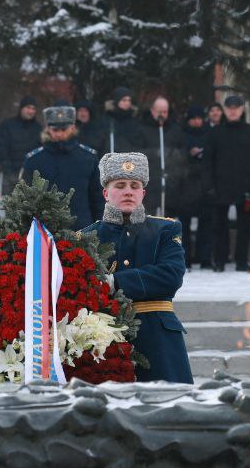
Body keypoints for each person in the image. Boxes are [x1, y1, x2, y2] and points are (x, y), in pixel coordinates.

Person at [80, 152, 192, 383]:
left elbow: (171, 276)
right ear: (105, 193)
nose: (128, 191)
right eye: (120, 185)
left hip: (158, 339)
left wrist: (115, 282)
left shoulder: (165, 229)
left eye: (134, 185)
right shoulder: (86, 237)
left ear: (143, 192)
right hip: (103, 339)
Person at [202, 94, 250, 272]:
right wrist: (209, 187)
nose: (233, 111)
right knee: (219, 226)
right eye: (229, 108)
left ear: (242, 109)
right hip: (220, 188)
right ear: (225, 110)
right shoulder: (215, 133)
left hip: (246, 187)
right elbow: (207, 162)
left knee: (244, 226)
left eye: (236, 108)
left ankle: (241, 261)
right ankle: (219, 260)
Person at [20, 105, 103, 229]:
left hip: (83, 229)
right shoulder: (34, 160)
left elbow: (97, 197)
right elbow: (24, 199)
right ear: (47, 129)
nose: (59, 134)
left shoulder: (88, 158)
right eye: (55, 130)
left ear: (72, 128)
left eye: (64, 130)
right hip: (45, 230)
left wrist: (99, 226)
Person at [173, 105, 213, 268]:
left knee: (206, 224)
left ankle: (205, 258)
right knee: (185, 225)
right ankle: (186, 257)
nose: (196, 122)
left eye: (199, 118)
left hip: (204, 185)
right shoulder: (181, 135)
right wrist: (189, 153)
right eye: (193, 119)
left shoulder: (209, 134)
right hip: (186, 185)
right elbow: (175, 156)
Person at [135, 96, 183, 217]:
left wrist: (175, 154)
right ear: (152, 111)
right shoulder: (142, 128)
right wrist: (154, 152)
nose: (162, 114)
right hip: (150, 183)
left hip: (170, 184)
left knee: (169, 223)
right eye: (159, 111)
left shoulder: (174, 129)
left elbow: (182, 151)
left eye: (165, 112)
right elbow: (136, 152)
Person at [0, 96, 42, 193]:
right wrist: (8, 170)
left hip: (32, 177)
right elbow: (1, 148)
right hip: (11, 175)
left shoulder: (39, 128)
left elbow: (41, 151)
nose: (31, 111)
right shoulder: (7, 125)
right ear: (21, 108)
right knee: (11, 207)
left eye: (33, 108)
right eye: (28, 108)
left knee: (31, 207)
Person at [102, 86, 142, 153]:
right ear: (116, 101)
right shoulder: (106, 120)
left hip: (131, 160)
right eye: (124, 100)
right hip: (111, 159)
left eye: (129, 100)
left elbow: (139, 143)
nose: (127, 103)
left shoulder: (135, 121)